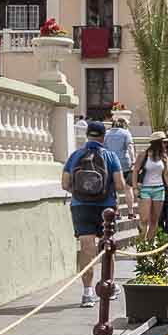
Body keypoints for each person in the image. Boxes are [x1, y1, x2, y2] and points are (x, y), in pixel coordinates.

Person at [62, 119, 130, 305]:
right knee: (107, 247)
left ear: (87, 135)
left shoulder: (75, 156)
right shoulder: (110, 157)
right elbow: (119, 185)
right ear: (103, 136)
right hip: (105, 207)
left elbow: (64, 184)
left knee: (86, 249)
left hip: (80, 206)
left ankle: (87, 293)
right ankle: (109, 285)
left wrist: (81, 193)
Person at [133, 132, 168, 246]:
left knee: (154, 220)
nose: (165, 144)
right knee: (144, 219)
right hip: (145, 189)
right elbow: (135, 170)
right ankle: (141, 244)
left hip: (159, 189)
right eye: (163, 142)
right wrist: (135, 187)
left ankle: (149, 245)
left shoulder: (164, 156)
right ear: (157, 143)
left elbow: (166, 174)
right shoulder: (143, 155)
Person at [104, 116, 135, 212]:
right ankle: (131, 212)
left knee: (114, 188)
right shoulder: (126, 133)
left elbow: (104, 149)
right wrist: (133, 160)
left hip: (111, 164)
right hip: (125, 163)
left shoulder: (106, 134)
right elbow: (130, 148)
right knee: (128, 188)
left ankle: (117, 212)